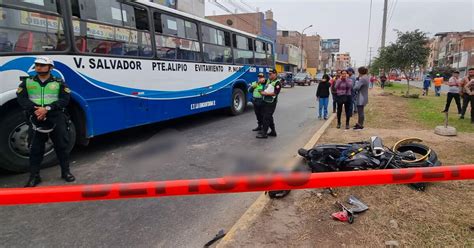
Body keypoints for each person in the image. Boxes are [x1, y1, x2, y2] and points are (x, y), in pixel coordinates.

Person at [16, 56, 75, 187]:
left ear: (50, 68)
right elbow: (21, 98)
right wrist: (36, 110)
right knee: (35, 149)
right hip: (36, 118)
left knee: (61, 146)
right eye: (37, 65)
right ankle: (34, 176)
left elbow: (65, 99)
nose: (39, 67)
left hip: (56, 117)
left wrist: (47, 109)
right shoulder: (27, 82)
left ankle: (66, 172)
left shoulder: (59, 82)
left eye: (42, 65)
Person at [257, 68, 281, 139]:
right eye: (268, 74)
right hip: (265, 101)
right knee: (269, 117)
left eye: (270, 74)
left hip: (271, 103)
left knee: (266, 118)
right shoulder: (268, 80)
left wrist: (265, 93)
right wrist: (261, 81)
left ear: (275, 74)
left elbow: (275, 93)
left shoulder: (277, 83)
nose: (269, 75)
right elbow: (262, 81)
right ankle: (273, 132)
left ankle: (264, 133)